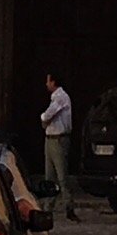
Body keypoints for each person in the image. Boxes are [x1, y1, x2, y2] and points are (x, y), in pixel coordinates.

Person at [40, 73, 78, 221]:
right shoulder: (56, 97)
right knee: (49, 176)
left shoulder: (60, 97)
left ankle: (69, 206)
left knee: (61, 176)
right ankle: (48, 208)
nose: (46, 84)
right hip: (50, 139)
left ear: (53, 82)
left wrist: (43, 118)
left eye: (48, 81)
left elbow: (48, 115)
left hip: (59, 140)